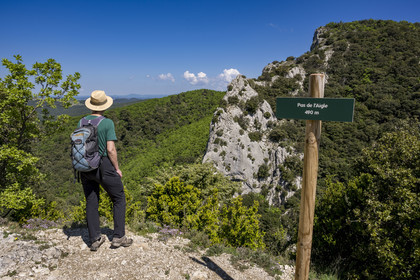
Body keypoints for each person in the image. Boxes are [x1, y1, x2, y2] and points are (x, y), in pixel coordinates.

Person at [79, 90, 133, 251]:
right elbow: (111, 150)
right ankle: (118, 237)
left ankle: (95, 239)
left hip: (85, 165)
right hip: (103, 164)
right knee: (118, 198)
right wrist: (117, 168)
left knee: (91, 200)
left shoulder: (81, 122)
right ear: (104, 105)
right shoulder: (107, 123)